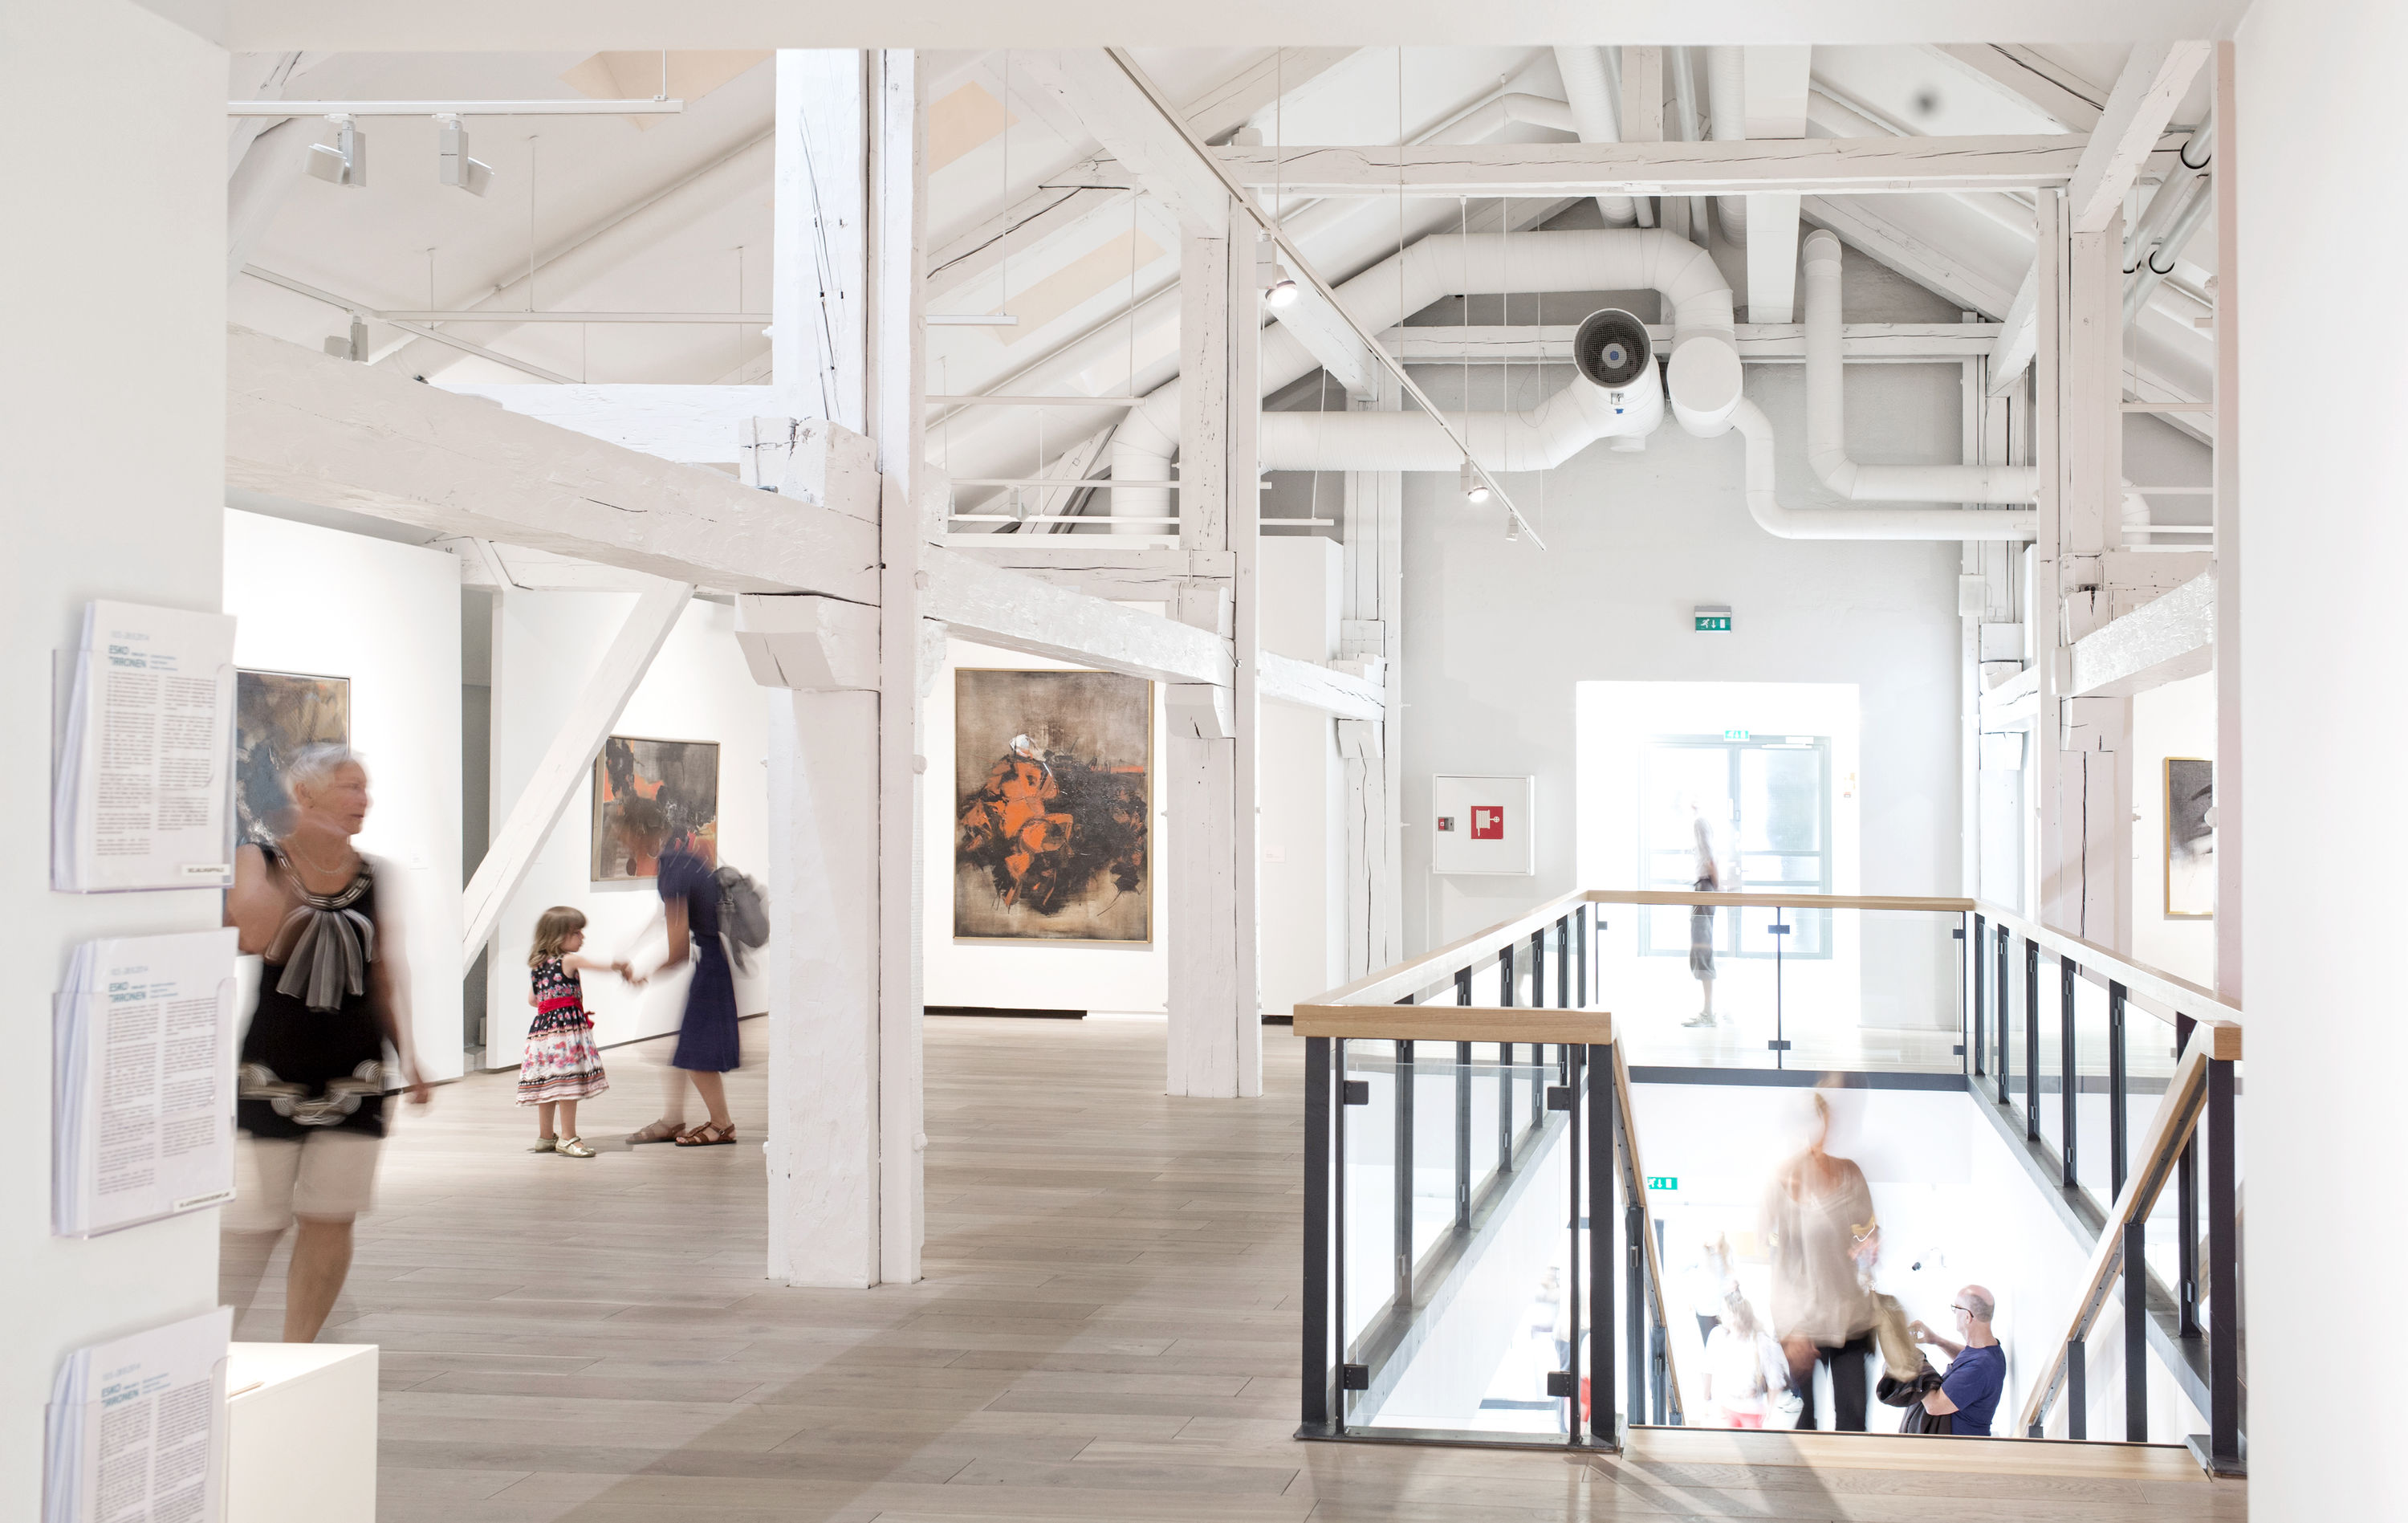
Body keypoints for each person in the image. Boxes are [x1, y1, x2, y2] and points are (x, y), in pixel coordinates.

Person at [222, 745, 429, 1342]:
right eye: (350, 786)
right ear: (305, 794)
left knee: (331, 1216)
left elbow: (385, 969)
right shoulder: (258, 858)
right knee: (255, 1221)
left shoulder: (377, 875)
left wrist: (409, 1053)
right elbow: (251, 936)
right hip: (273, 1065)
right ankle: (207, 1355)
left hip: (356, 1067)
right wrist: (287, 874)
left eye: (365, 788)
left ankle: (298, 1349)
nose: (364, 800)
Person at [616, 798, 742, 1146]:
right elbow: (670, 917)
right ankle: (673, 1119)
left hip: (709, 966)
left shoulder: (672, 870)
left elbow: (678, 952)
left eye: (623, 833)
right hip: (712, 960)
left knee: (696, 1053)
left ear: (640, 831)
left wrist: (643, 974)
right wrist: (634, 948)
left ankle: (722, 1125)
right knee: (686, 1049)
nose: (620, 840)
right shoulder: (681, 859)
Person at [1763, 1090, 1881, 1431]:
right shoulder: (1781, 1180)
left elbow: (1866, 1229)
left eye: (1823, 1121)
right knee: (1804, 1422)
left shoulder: (1849, 1173)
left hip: (1849, 1318)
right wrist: (1791, 1328)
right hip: (1802, 1323)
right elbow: (1777, 1262)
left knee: (1853, 1421)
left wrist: (1869, 1242)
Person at [518, 906, 631, 1159]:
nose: (583, 937)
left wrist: (553, 1004)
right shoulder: (567, 960)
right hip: (565, 1033)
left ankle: (545, 1136)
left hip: (542, 1033)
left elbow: (533, 1000)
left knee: (548, 1082)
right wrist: (619, 966)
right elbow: (596, 965)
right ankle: (568, 1137)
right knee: (568, 1084)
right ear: (559, 936)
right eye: (577, 932)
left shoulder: (537, 966)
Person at [1910, 1285, 2008, 1436]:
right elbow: (1967, 1359)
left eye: (1955, 1308)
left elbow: (1934, 1406)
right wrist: (1936, 1340)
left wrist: (1912, 1362)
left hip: (1958, 1448)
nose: (1954, 1312)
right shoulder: (1990, 1351)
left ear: (1968, 1317)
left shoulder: (1980, 1368)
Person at [1702, 1293, 1789, 1429]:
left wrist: (1769, 1409)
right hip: (1727, 1408)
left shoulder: (1760, 1342)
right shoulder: (1718, 1336)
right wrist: (1707, 1401)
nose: (1721, 1315)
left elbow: (1775, 1379)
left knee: (1750, 1440)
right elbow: (1709, 1369)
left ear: (1735, 1315)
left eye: (1724, 1311)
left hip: (1751, 1410)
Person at [1682, 802, 1731, 1028]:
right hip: (1704, 888)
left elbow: (1710, 859)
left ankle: (1708, 1012)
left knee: (1702, 947)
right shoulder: (1704, 823)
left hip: (1704, 888)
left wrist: (1717, 887)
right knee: (1702, 946)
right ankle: (1708, 1010)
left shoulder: (1700, 822)